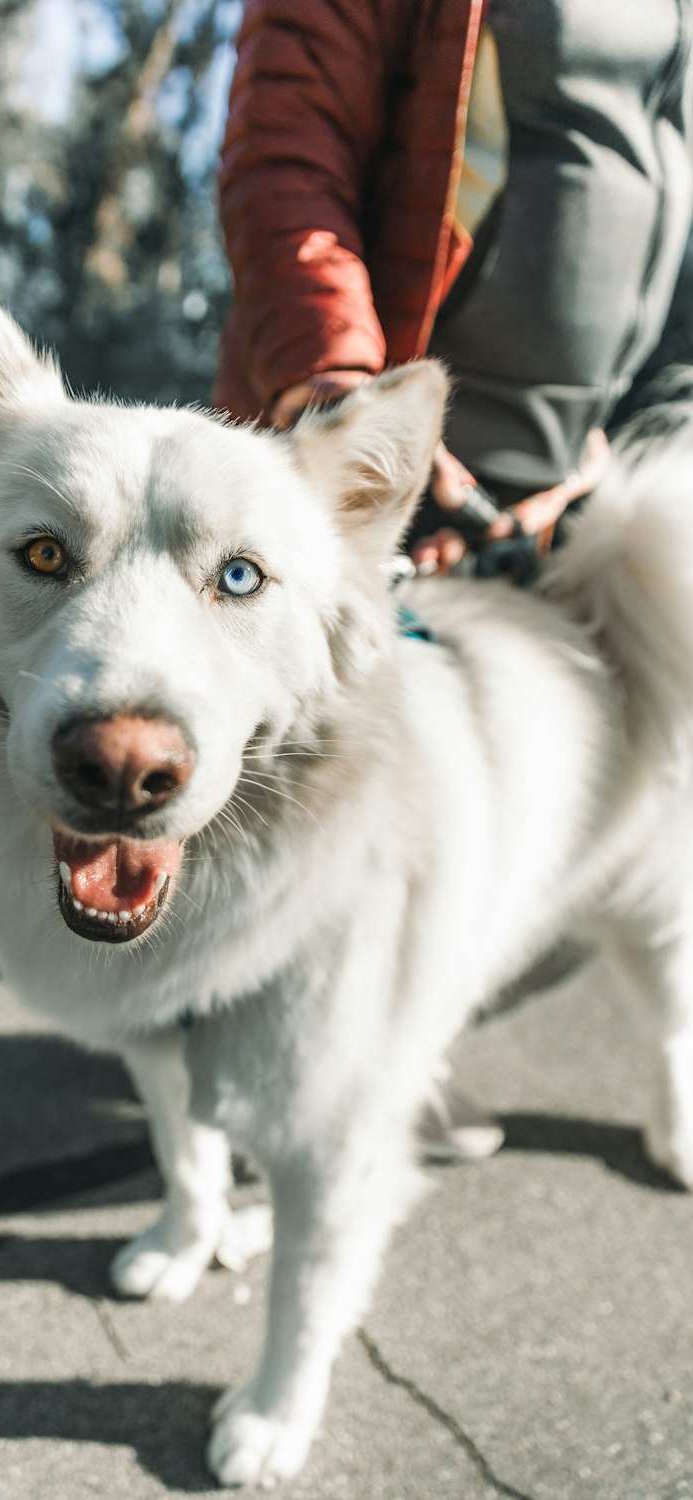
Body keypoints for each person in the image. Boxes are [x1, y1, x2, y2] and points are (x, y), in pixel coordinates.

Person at [214, 0, 693, 1155]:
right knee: (373, 789)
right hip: (392, 448)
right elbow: (287, 154)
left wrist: (651, 440)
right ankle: (360, 1050)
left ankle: (669, 1047)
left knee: (620, 790)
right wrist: (353, 420)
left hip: (587, 473)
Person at [215, 0, 693, 574]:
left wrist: (604, 446)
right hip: (381, 473)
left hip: (569, 505)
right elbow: (289, 149)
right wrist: (351, 415)